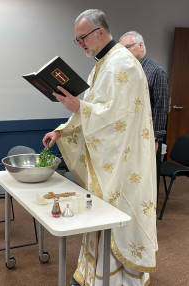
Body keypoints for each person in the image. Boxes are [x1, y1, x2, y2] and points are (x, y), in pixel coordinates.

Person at [42, 9, 158, 286]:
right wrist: (61, 130)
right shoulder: (102, 64)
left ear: (99, 32)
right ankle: (94, 274)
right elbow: (95, 106)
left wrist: (79, 106)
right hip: (109, 155)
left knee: (116, 213)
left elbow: (116, 116)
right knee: (99, 213)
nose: (80, 44)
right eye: (77, 40)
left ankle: (119, 280)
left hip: (123, 160)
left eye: (82, 38)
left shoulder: (124, 64)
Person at [119, 31, 169, 193]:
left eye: (128, 47)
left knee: (144, 179)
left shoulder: (156, 72)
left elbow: (161, 107)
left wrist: (155, 139)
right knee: (129, 177)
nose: (124, 51)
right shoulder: (126, 71)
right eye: (122, 48)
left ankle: (146, 213)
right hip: (128, 133)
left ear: (140, 46)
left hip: (147, 135)